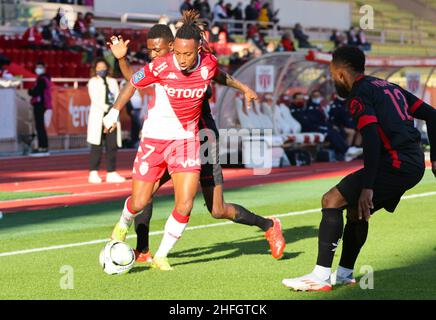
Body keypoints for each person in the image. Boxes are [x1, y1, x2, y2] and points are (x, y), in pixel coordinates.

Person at [105, 13, 284, 270]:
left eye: (157, 49)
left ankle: (268, 225)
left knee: (217, 209)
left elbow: (215, 74)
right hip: (163, 141)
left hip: (200, 139)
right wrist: (121, 59)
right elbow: (132, 82)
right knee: (145, 195)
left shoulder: (199, 67)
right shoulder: (162, 66)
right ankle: (143, 249)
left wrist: (243, 88)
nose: (154, 54)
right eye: (150, 50)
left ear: (174, 46)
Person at [283, 45, 436, 292]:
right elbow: (433, 115)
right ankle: (344, 274)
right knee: (356, 211)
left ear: (342, 73)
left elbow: (372, 139)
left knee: (331, 199)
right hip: (412, 163)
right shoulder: (388, 86)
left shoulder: (359, 94)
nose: (334, 80)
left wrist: (368, 186)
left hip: (395, 163)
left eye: (333, 75)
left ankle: (320, 276)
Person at [290, 90, 362, 161]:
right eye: (298, 99)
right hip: (309, 129)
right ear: (294, 100)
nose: (301, 100)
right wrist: (322, 127)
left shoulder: (305, 108)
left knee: (333, 131)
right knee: (330, 132)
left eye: (302, 99)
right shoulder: (295, 110)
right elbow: (307, 123)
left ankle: (346, 151)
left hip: (316, 127)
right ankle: (346, 151)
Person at [87, 58, 125, 184]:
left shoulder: (113, 81)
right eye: (99, 68)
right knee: (97, 145)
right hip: (99, 115)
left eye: (103, 67)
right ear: (95, 69)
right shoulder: (92, 82)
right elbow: (95, 99)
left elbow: (118, 97)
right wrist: (107, 109)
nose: (101, 70)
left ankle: (111, 172)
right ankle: (93, 172)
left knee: (112, 145)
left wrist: (113, 111)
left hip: (111, 116)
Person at [28, 62, 52, 155]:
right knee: (40, 127)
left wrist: (30, 91)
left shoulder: (42, 80)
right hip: (42, 105)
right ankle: (43, 146)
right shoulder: (44, 79)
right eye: (37, 67)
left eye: (40, 67)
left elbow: (36, 92)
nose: (38, 69)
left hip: (41, 105)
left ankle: (43, 147)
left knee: (40, 127)